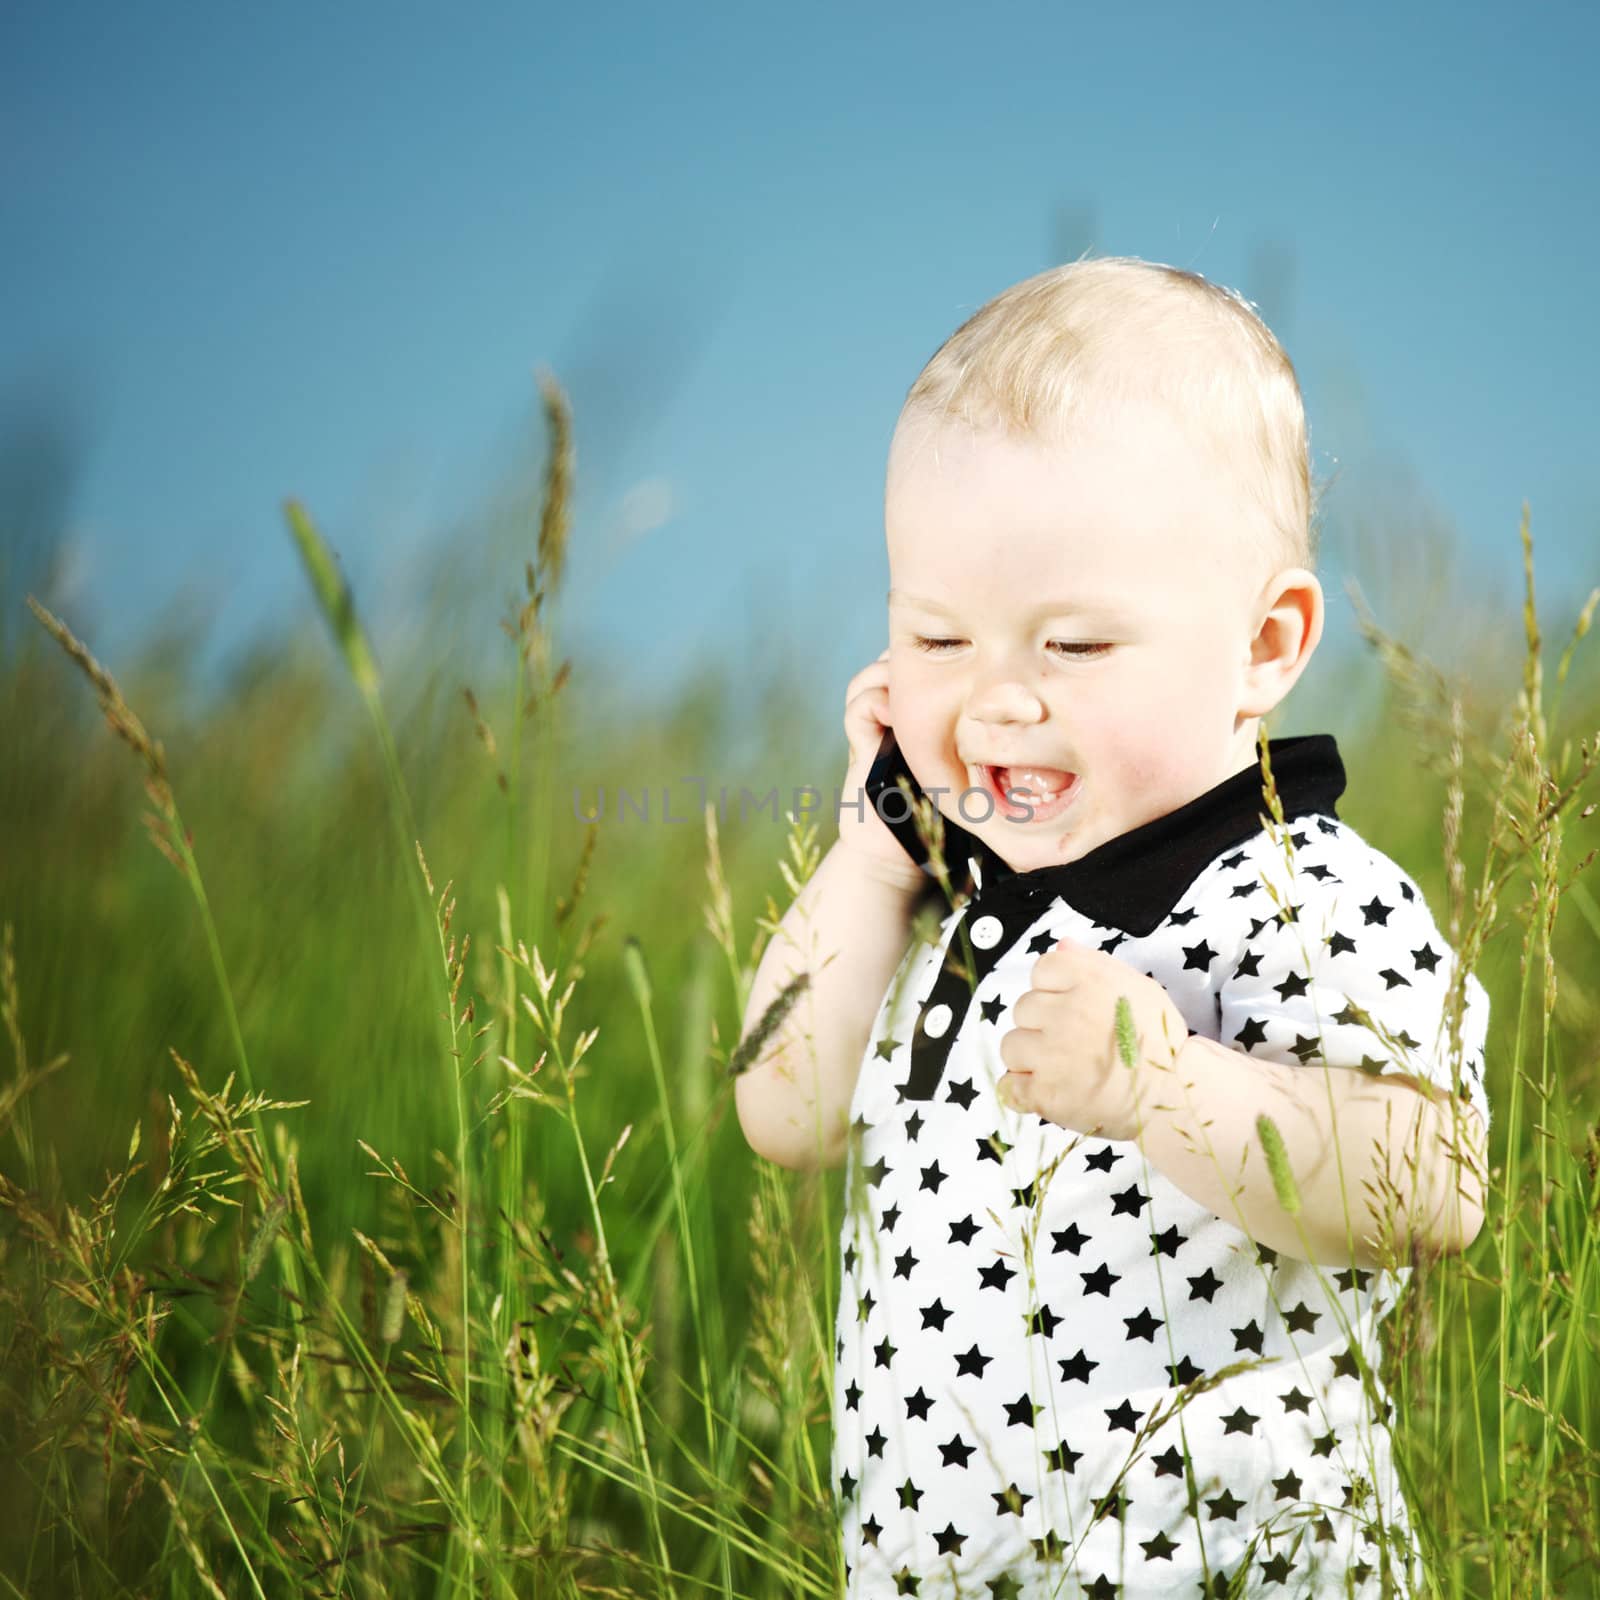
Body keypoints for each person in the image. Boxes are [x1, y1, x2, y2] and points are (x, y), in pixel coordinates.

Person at [733, 255, 1492, 1599]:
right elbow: (783, 1113)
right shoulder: (942, 901)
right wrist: (869, 854)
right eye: (939, 641)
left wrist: (1169, 1086)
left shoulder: (1299, 893)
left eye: (1074, 648)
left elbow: (1430, 1183)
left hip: (1226, 1565)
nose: (999, 702)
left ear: (1264, 646)